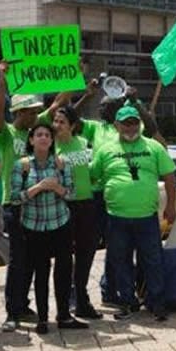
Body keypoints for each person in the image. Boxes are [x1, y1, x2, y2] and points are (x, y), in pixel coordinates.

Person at [0, 61, 70, 329]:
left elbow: (59, 101)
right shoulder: (7, 134)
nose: (37, 114)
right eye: (32, 111)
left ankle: (24, 307)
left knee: (35, 262)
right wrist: (2, 81)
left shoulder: (37, 133)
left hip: (42, 207)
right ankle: (12, 313)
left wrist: (72, 75)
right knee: (17, 260)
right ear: (20, 112)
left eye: (38, 110)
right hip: (15, 205)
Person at [90, 106, 176, 321]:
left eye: (134, 122)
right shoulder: (105, 149)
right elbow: (92, 177)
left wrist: (171, 206)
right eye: (126, 123)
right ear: (116, 126)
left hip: (147, 217)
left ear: (140, 124)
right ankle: (128, 302)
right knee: (121, 261)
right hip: (116, 217)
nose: (131, 127)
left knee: (153, 261)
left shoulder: (154, 147)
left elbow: (170, 176)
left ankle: (157, 302)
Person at [10, 123, 89, 334]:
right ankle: (42, 318)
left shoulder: (61, 163)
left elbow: (72, 194)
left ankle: (64, 315)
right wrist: (37, 188)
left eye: (47, 135)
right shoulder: (23, 165)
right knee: (41, 271)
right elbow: (14, 199)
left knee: (64, 270)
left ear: (52, 140)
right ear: (31, 140)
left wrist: (57, 187)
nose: (44, 138)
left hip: (59, 223)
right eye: (39, 135)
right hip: (33, 226)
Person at [52, 106, 103, 320]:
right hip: (64, 206)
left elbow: (90, 174)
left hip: (86, 205)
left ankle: (82, 300)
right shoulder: (51, 148)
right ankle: (64, 306)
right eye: (55, 121)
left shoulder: (82, 143)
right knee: (64, 259)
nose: (56, 126)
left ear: (72, 126)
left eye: (62, 122)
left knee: (86, 255)